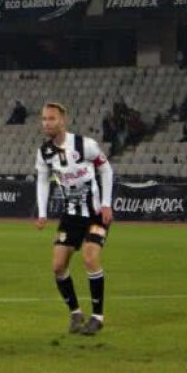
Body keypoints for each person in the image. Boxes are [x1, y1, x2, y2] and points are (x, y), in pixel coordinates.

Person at [35, 102, 114, 336]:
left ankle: (97, 317)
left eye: (51, 118)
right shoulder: (44, 153)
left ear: (63, 120)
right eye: (44, 119)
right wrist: (42, 212)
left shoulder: (85, 145)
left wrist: (107, 203)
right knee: (58, 266)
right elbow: (42, 181)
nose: (47, 123)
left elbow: (106, 170)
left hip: (95, 214)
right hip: (70, 216)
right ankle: (75, 313)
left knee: (90, 257)